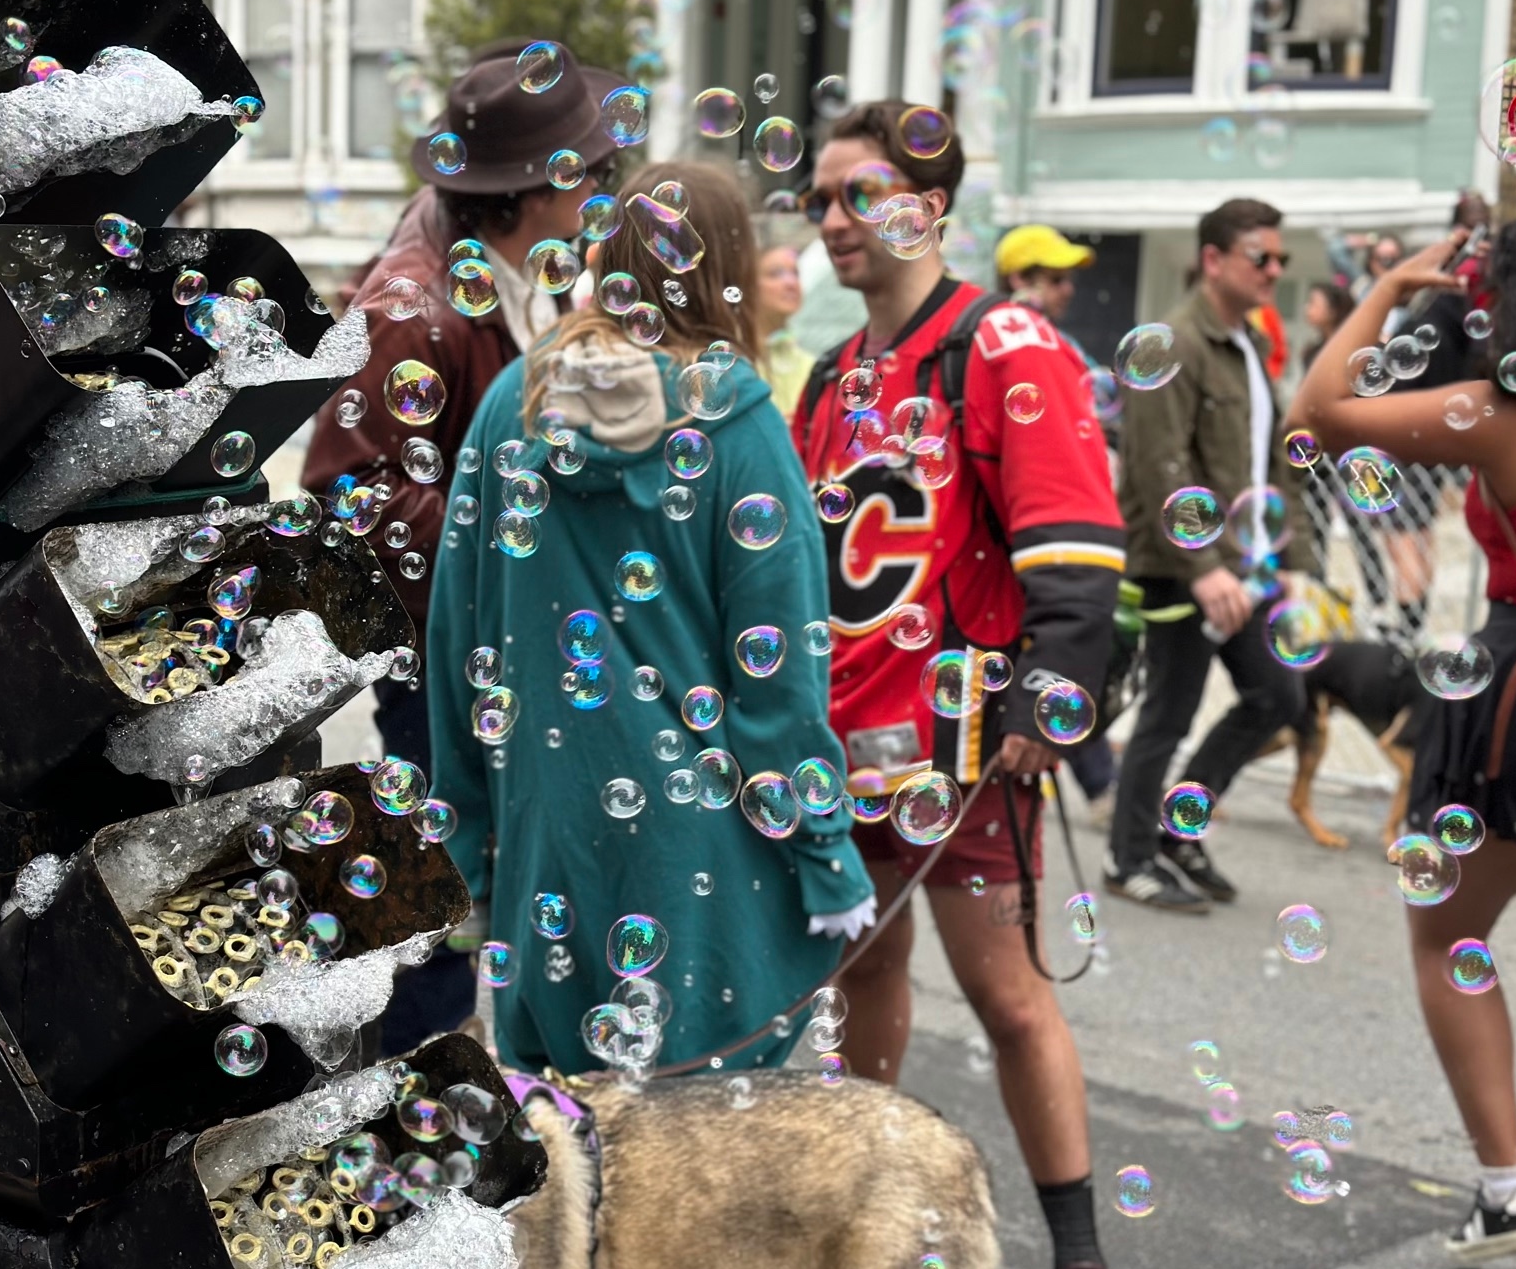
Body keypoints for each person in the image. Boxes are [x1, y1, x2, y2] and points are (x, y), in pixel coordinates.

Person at [427, 160, 875, 1077]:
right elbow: (779, 678)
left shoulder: (512, 405)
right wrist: (827, 856)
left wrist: (464, 851)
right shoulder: (738, 422)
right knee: (695, 1164)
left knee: (571, 1149)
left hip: (547, 842)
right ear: (732, 271)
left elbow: (457, 651)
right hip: (699, 857)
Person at [794, 101, 1120, 1269]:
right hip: (841, 747)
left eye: (859, 194)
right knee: (862, 975)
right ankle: (853, 1218)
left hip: (961, 748)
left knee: (1011, 1000)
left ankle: (1075, 1250)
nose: (832, 218)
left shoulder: (1003, 345)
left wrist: (1047, 693)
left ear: (928, 208)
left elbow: (1076, 540)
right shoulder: (832, 374)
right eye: (819, 198)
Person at [302, 41, 618, 1052]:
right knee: (437, 916)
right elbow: (340, 487)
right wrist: (518, 532)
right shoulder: (414, 302)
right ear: (529, 194)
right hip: (442, 668)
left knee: (492, 903)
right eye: (586, 167)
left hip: (499, 652)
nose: (602, 182)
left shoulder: (524, 269)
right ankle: (406, 1121)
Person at [1288, 222, 1516, 1262]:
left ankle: (1507, 1188)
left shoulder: (1498, 418)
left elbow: (1317, 411)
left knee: (1448, 932)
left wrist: (1387, 287)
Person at [1104, 198, 1316, 913]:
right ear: (1214, 259)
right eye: (1263, 256)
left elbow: (1270, 461)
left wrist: (1292, 555)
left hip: (1244, 564)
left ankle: (1176, 829)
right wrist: (1204, 567)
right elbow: (1157, 464)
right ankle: (1129, 857)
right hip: (1182, 567)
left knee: (1277, 695)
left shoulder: (1248, 344)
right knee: (1170, 710)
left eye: (1279, 258)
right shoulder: (1172, 341)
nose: (1275, 269)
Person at [995, 224, 1118, 812]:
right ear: (1019, 280)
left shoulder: (1058, 347)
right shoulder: (1008, 350)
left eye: (1070, 278)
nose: (1068, 290)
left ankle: (1100, 781)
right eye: (1055, 278)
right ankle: (1101, 785)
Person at [755, 241, 813, 417]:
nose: (791, 282)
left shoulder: (811, 366)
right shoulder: (736, 363)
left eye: (795, 273)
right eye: (775, 274)